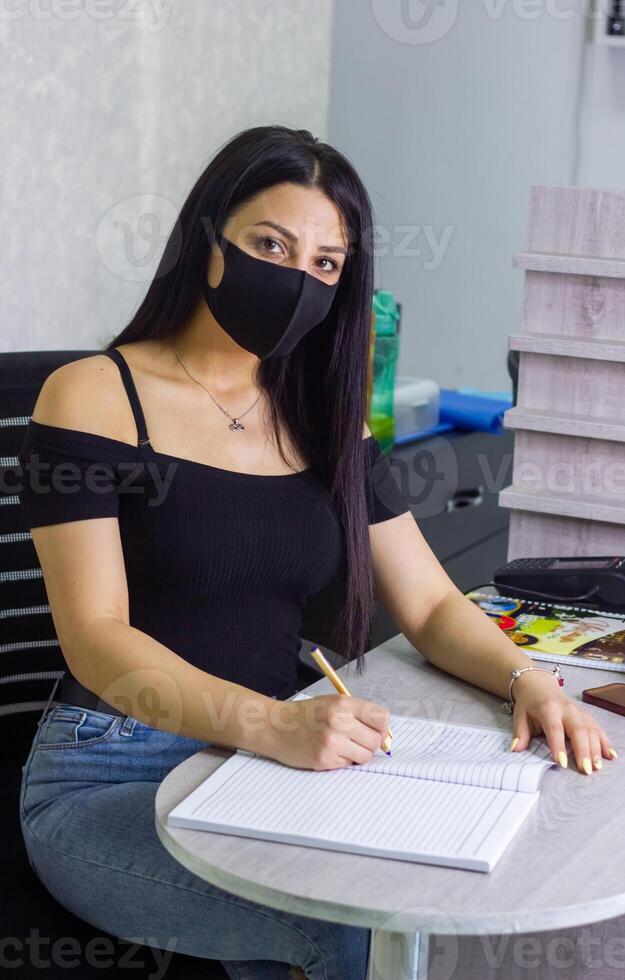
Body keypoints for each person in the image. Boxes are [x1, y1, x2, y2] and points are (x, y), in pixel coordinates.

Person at [17, 125, 616, 980]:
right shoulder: (93, 395)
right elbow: (95, 635)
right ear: (207, 239)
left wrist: (530, 681)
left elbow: (435, 607)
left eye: (326, 264)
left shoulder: (320, 419)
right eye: (271, 244)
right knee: (338, 930)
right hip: (113, 764)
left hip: (270, 760)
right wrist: (272, 724)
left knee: (411, 891)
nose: (297, 278)